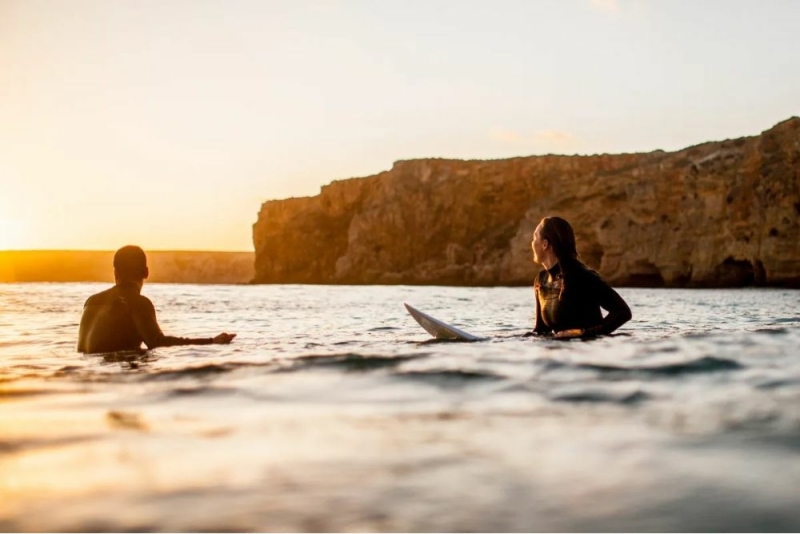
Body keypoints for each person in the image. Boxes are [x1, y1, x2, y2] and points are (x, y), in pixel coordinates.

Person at [77, 245, 236, 353]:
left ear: (115, 273)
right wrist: (211, 342)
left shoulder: (91, 302)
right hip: (116, 382)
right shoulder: (139, 303)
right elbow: (157, 343)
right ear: (146, 272)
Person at [530, 216, 631, 339]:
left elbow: (622, 312)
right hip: (556, 355)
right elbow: (541, 331)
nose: (532, 242)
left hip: (585, 352)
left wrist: (583, 333)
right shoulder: (541, 280)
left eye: (535, 237)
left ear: (545, 244)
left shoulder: (582, 277)